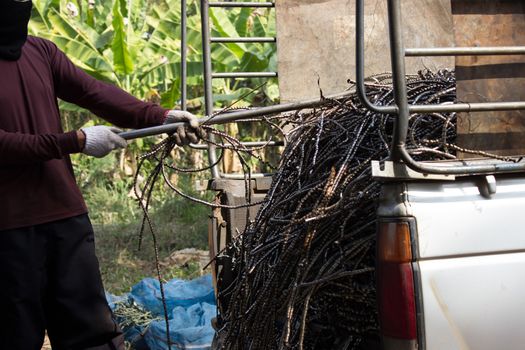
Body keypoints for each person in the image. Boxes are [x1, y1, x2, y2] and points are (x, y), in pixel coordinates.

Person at [0, 1, 201, 349]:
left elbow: (94, 92)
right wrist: (74, 141)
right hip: (7, 228)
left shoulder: (41, 51)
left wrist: (159, 116)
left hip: (65, 216)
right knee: (15, 334)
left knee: (91, 332)